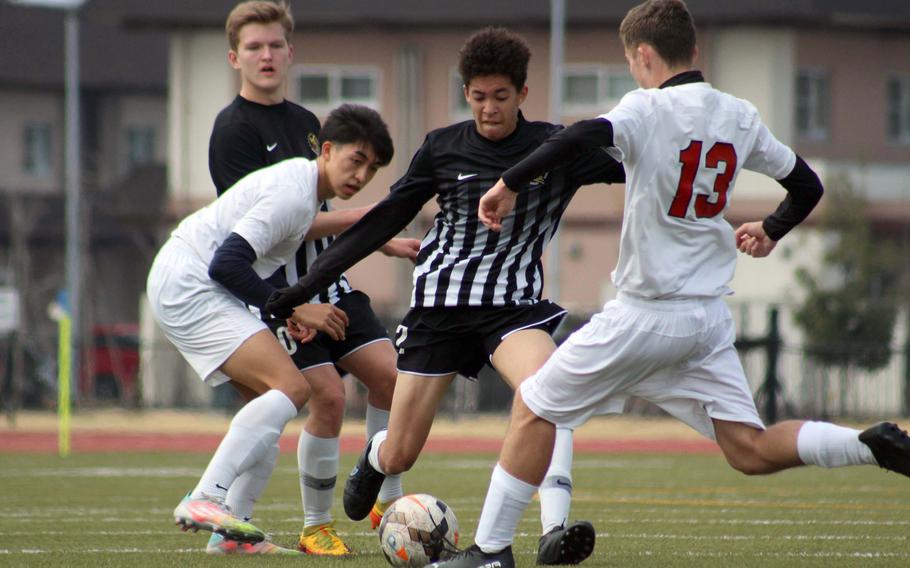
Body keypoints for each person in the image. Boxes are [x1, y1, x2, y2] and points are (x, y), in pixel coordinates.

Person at [427, 2, 910, 566]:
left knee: (534, 407)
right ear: (695, 51)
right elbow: (806, 185)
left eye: (631, 62)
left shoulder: (648, 107)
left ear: (643, 55)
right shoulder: (739, 114)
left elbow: (583, 134)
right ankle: (865, 444)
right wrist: (773, 228)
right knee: (749, 449)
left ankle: (490, 552)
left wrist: (508, 181)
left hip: (645, 313)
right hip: (705, 322)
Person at [266, 27, 625, 565]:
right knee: (402, 449)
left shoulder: (557, 148)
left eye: (500, 97)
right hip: (439, 309)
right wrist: (303, 288)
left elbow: (644, 168)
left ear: (523, 94)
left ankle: (553, 528)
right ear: (466, 94)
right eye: (477, 97)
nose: (488, 109)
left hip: (512, 310)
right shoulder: (442, 146)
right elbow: (383, 218)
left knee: (550, 392)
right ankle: (375, 457)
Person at [206, 0, 418, 556]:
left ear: (290, 52)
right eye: (254, 47)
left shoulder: (306, 124)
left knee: (396, 381)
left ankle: (383, 494)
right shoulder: (232, 132)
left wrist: (373, 237)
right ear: (235, 57)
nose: (266, 55)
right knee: (325, 396)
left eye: (275, 45)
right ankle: (314, 525)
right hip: (283, 295)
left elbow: (319, 212)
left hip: (332, 284)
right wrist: (373, 223)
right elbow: (267, 228)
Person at [146, 104, 394, 552]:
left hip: (195, 282)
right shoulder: (293, 193)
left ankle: (232, 534)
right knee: (292, 387)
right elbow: (227, 264)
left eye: (371, 168)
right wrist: (296, 311)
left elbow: (246, 268)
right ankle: (205, 497)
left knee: (268, 403)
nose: (361, 174)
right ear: (329, 149)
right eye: (355, 160)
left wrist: (283, 311)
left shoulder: (302, 190)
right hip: (190, 283)